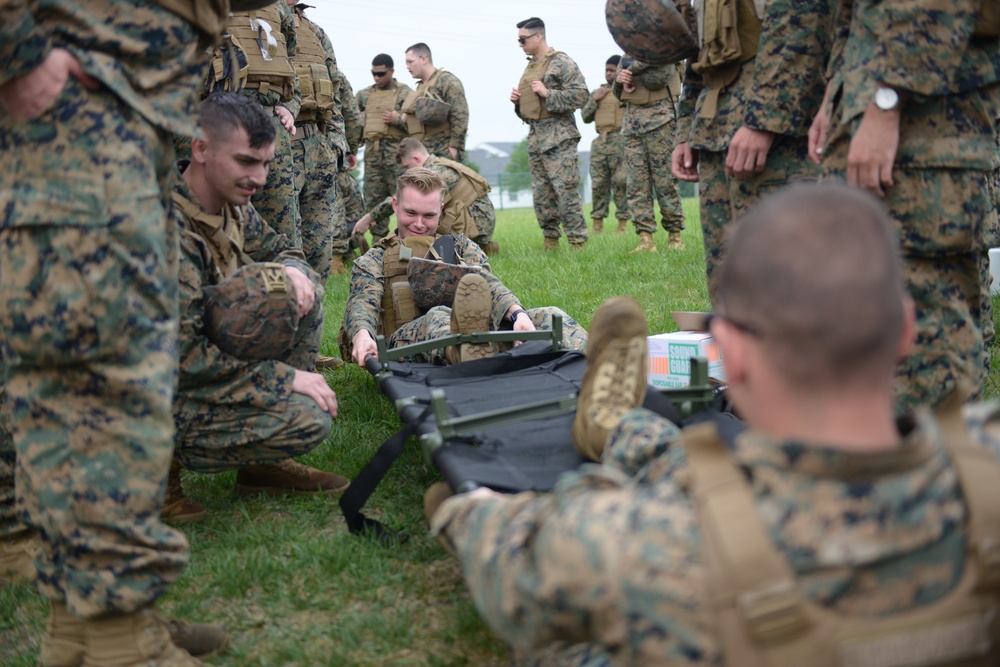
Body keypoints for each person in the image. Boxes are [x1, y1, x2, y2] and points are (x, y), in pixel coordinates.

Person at [429, 183, 1000, 665]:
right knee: (707, 471)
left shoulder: (634, 543)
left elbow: (505, 563)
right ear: (905, 331)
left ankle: (618, 428)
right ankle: (616, 425)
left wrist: (468, 507)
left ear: (729, 350)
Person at [0, 0, 244, 663]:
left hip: (122, 115)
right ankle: (119, 638)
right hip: (81, 107)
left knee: (82, 378)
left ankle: (83, 624)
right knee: (106, 382)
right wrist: (15, 51)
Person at [164, 92, 348, 523]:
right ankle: (153, 477)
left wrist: (290, 270)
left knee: (299, 291)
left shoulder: (234, 209)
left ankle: (262, 469)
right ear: (201, 148)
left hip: (193, 364)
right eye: (247, 162)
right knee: (304, 417)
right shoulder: (162, 227)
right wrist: (282, 379)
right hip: (143, 387)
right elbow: (181, 357)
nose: (261, 178)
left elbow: (285, 249)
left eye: (265, 164)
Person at [808, 0, 999, 414]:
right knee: (865, 317)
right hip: (870, 105)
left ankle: (946, 473)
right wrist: (835, 95)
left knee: (924, 344)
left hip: (924, 120)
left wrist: (888, 99)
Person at [342, 169, 587, 367]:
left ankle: (600, 363)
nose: (418, 224)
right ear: (395, 205)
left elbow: (487, 284)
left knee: (550, 316)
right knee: (439, 316)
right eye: (410, 213)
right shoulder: (374, 259)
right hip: (409, 344)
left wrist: (517, 315)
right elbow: (362, 303)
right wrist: (362, 336)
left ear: (440, 210)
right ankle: (476, 359)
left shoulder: (459, 246)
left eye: (428, 215)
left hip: (477, 335)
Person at [672, 0, 832, 299]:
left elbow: (804, 28)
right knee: (727, 275)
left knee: (785, 275)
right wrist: (685, 131)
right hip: (714, 132)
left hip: (783, 138)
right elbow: (698, 56)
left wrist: (763, 120)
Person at [209, 1, 303, 246]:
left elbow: (291, 60)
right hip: (216, 122)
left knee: (281, 230)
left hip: (270, 126)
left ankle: (284, 281)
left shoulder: (279, 6)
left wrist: (290, 107)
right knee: (212, 221)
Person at [511, 17, 589, 251]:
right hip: (536, 138)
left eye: (523, 39)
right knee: (542, 195)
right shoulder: (531, 66)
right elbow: (531, 110)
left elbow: (581, 96)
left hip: (559, 137)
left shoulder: (562, 62)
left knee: (565, 190)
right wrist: (518, 103)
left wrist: (548, 94)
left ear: (538, 36)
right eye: (518, 40)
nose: (520, 43)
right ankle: (550, 240)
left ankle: (577, 242)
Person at [353, 138, 496, 253]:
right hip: (477, 219)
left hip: (478, 224)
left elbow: (398, 199)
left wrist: (368, 219)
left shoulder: (436, 172)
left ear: (416, 158)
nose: (406, 171)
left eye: (407, 167)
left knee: (422, 226)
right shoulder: (438, 164)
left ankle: (481, 248)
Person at [287, 0, 338, 283]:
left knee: (319, 247)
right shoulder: (259, 22)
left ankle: (313, 320)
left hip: (318, 145)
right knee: (286, 244)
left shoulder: (315, 32)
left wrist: (336, 143)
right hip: (282, 145)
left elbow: (335, 87)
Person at [614, 57, 685, 253]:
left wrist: (633, 69)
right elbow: (617, 94)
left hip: (662, 121)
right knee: (637, 184)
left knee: (665, 182)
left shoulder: (664, 48)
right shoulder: (627, 56)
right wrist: (620, 79)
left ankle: (675, 236)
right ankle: (645, 239)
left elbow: (658, 78)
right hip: (632, 125)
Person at [357, 54, 413, 241]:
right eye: (374, 73)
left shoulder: (405, 93)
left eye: (381, 73)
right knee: (373, 200)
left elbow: (417, 123)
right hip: (372, 154)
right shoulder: (364, 95)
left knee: (402, 198)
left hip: (397, 155)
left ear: (391, 71)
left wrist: (397, 120)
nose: (377, 77)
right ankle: (378, 245)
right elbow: (352, 119)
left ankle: (404, 242)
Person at [581, 55, 630, 236]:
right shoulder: (598, 92)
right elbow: (585, 117)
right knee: (598, 184)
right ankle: (597, 225)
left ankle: (623, 225)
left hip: (621, 141)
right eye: (607, 71)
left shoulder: (626, 90)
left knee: (621, 182)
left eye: (612, 70)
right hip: (600, 142)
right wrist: (595, 99)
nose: (609, 74)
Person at [400, 43, 468, 162]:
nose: (407, 66)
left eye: (410, 62)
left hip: (442, 151)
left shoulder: (447, 81)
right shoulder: (421, 87)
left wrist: (454, 147)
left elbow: (460, 115)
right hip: (424, 153)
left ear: (424, 59)